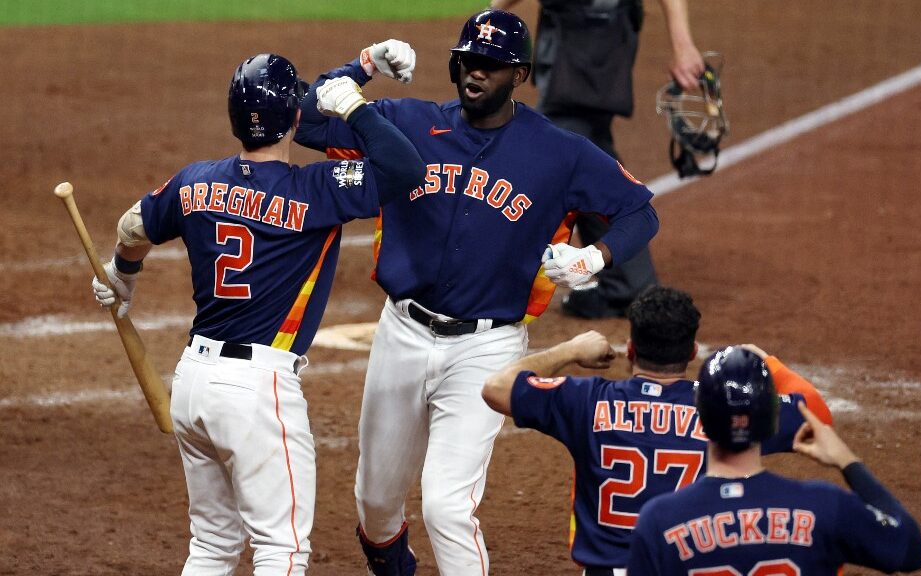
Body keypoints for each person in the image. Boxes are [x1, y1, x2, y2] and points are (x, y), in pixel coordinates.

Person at [294, 10, 660, 575]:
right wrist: (363, 66)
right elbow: (309, 121)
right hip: (402, 332)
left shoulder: (558, 153)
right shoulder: (407, 125)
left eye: (490, 66)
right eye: (468, 62)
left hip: (487, 349)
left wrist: (596, 255)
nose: (475, 74)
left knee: (446, 505)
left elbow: (639, 210)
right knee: (375, 505)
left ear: (518, 75)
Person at [90, 53, 424, 575]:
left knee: (212, 546)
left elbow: (133, 227)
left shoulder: (193, 181)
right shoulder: (319, 187)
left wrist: (121, 275)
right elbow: (405, 169)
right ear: (295, 120)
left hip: (195, 382)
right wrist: (356, 106)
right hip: (257, 393)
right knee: (281, 549)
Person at [481, 286, 833, 574]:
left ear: (631, 350)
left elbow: (497, 386)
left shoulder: (585, 400)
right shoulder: (723, 407)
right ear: (693, 351)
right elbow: (816, 417)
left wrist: (569, 350)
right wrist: (765, 362)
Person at [627, 346, 921, 575]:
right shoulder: (824, 506)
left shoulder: (659, 522)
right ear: (774, 421)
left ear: (700, 419)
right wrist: (847, 461)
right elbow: (910, 550)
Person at [491, 0, 706, 318]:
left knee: (565, 149)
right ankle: (625, 281)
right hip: (595, 29)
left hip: (590, 33)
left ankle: (630, 283)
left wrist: (488, 18)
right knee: (584, 139)